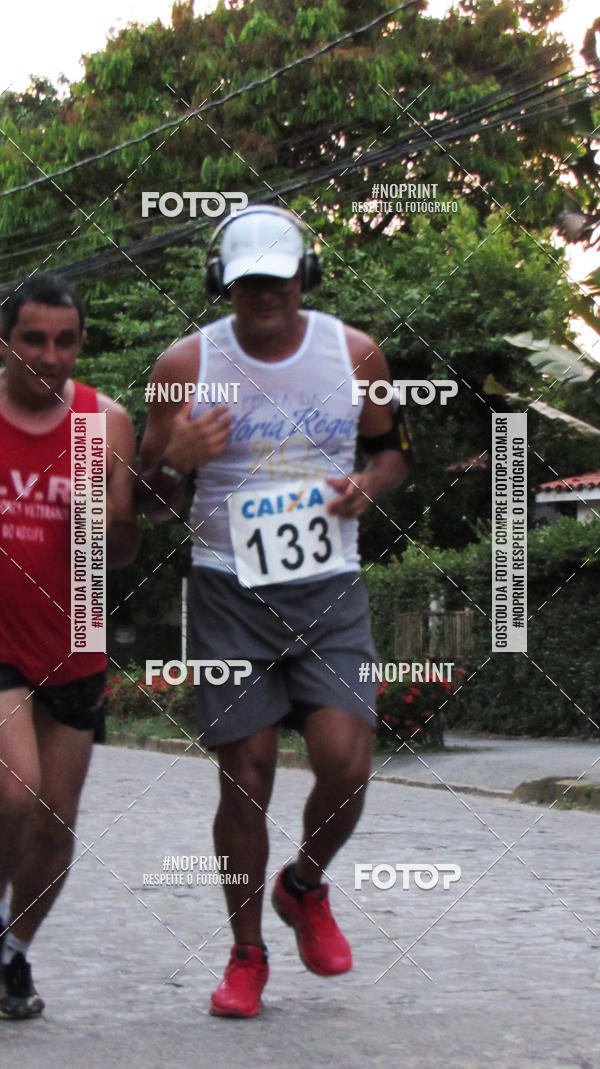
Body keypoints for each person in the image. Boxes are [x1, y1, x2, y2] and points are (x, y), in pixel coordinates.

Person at [139, 206, 408, 1017]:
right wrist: (174, 464)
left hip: (328, 584)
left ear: (305, 276)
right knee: (247, 773)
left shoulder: (355, 353)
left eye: (278, 279)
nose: (264, 294)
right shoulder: (184, 365)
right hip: (228, 586)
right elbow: (147, 501)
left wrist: (369, 485)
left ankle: (304, 884)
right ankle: (246, 952)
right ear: (222, 282)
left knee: (346, 761)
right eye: (247, 280)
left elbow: (393, 454)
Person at [0, 274, 138, 1018]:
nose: (50, 357)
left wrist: (110, 515)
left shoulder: (104, 423)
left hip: (75, 639)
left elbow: (116, 557)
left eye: (65, 341)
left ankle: (12, 953)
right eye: (33, 340)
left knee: (54, 825)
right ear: (5, 343)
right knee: (13, 791)